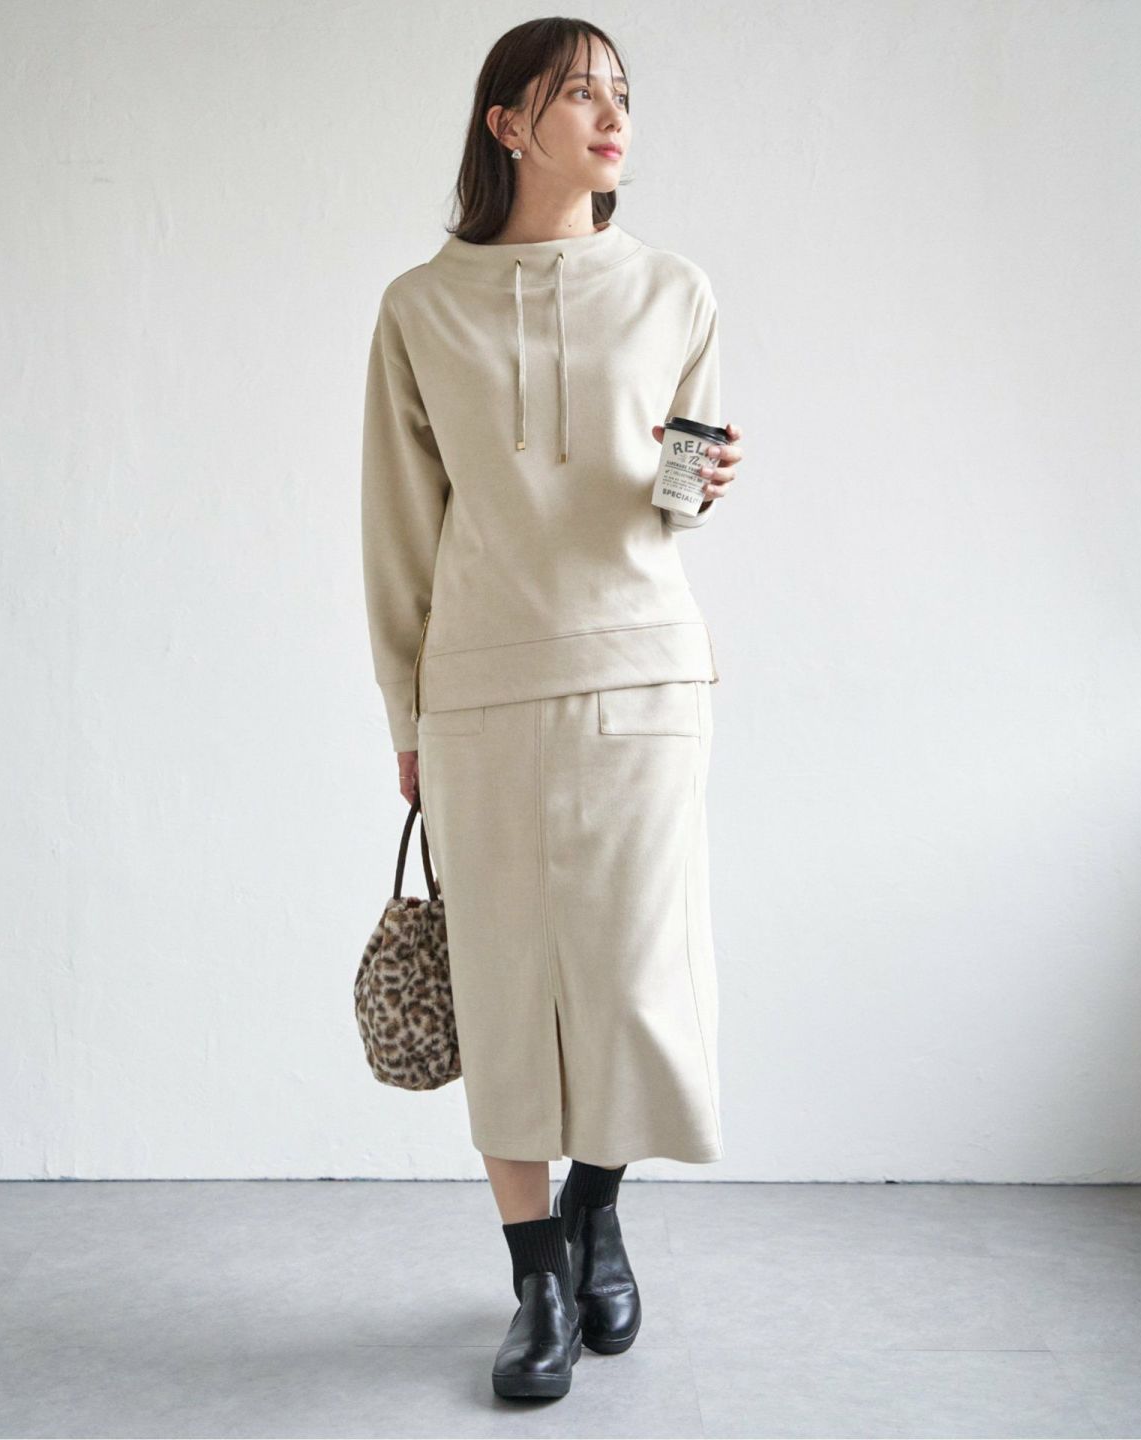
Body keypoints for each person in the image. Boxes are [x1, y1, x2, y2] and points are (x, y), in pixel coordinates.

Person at [360, 17, 744, 1401]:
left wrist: (698, 485)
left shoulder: (676, 292)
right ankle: (535, 1274)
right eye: (578, 92)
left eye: (621, 92)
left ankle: (597, 1206)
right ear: (508, 123)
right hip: (481, 685)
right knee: (508, 984)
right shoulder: (420, 308)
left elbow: (665, 505)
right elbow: (400, 530)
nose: (611, 113)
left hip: (642, 670)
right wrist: (405, 713)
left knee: (635, 977)